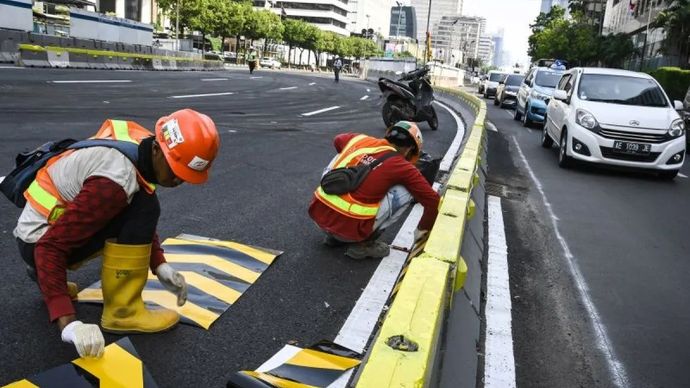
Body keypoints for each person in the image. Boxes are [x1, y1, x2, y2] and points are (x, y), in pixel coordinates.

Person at [14, 109, 220, 358]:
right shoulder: (114, 182)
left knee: (142, 201)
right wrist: (69, 324)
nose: (179, 181)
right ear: (157, 150)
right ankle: (123, 312)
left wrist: (160, 266)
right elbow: (50, 246)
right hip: (38, 243)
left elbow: (132, 206)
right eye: (176, 171)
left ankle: (43, 272)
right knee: (145, 205)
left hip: (36, 231)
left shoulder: (140, 145)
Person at [308, 121, 440, 260]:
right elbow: (433, 200)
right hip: (350, 232)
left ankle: (333, 237)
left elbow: (338, 140)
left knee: (344, 153)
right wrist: (422, 231)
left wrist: (361, 159)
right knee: (407, 191)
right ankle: (363, 245)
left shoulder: (359, 139)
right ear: (409, 150)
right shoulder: (402, 166)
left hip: (318, 217)